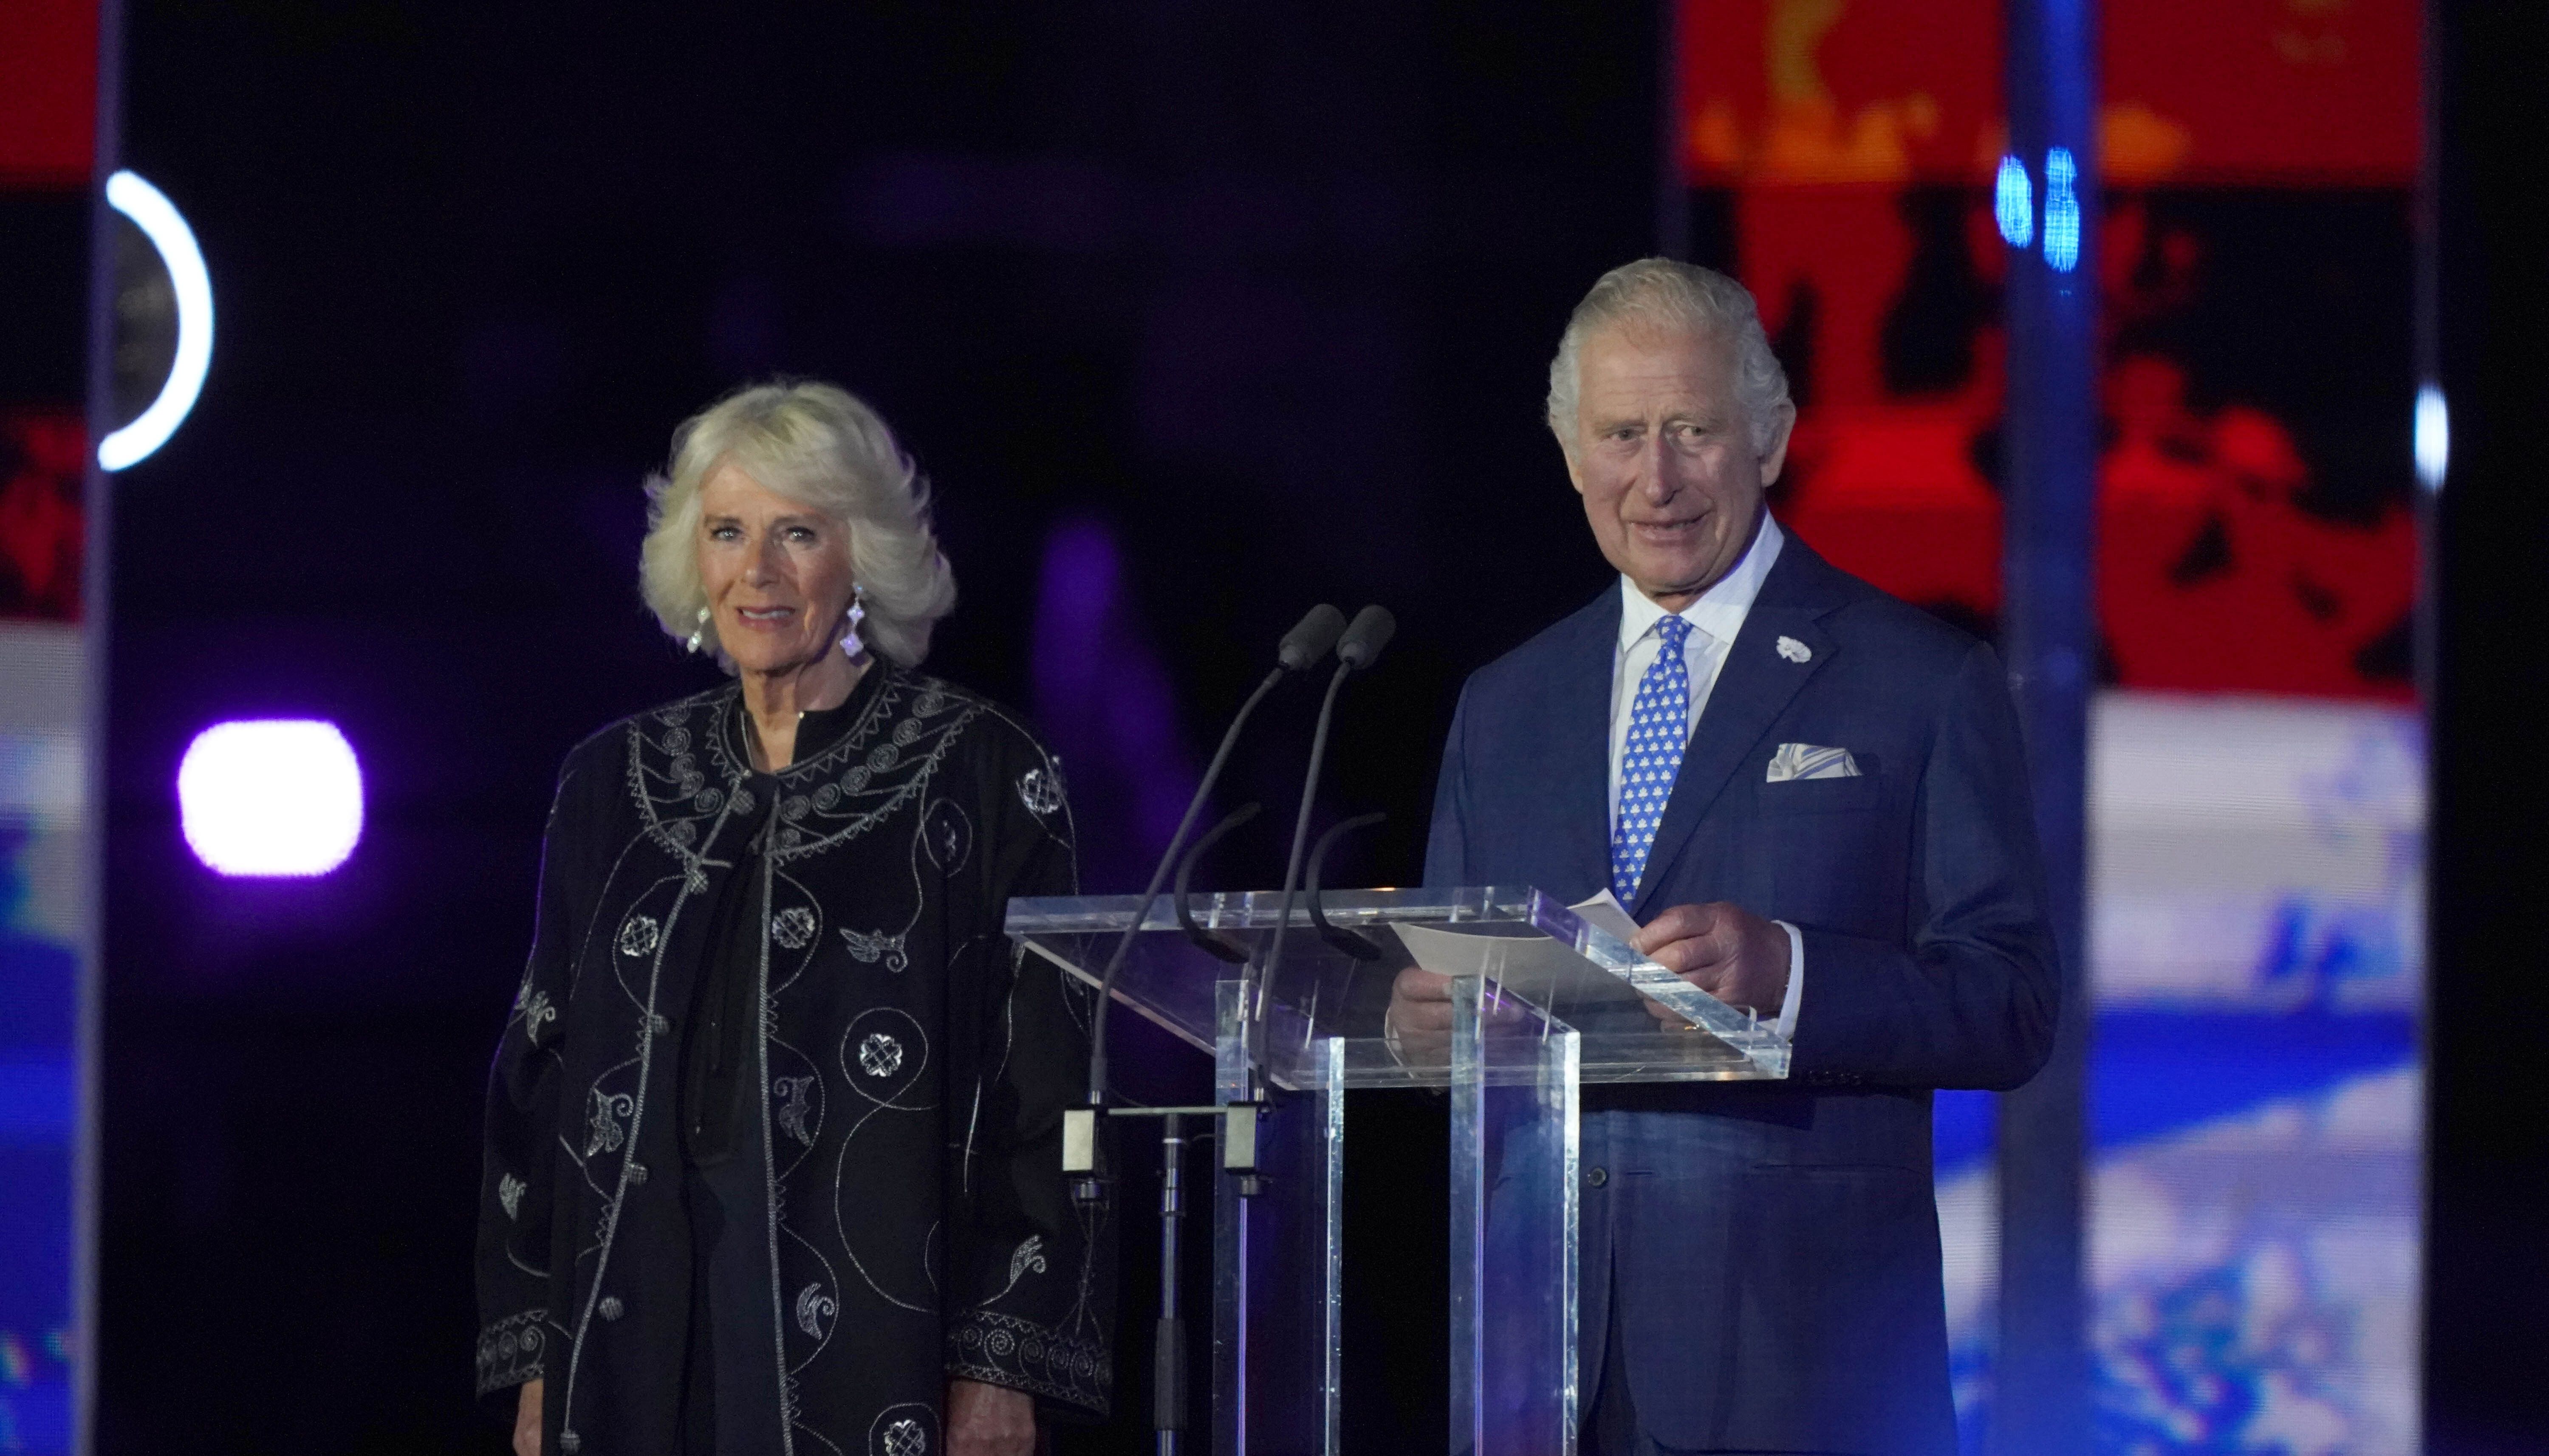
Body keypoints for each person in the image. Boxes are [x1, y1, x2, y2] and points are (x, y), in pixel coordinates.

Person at [1395, 259, 2058, 1455]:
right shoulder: (1505, 705)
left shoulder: (1920, 681)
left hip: (1805, 1368)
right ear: (1568, 453)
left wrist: (1796, 974)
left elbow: (2010, 999)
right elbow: (1466, 977)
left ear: (1771, 437)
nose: (1655, 478)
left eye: (1692, 430)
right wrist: (1427, 1034)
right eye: (1622, 433)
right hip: (1542, 1368)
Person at [474, 381, 1112, 1456]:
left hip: (881, 1334)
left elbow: (1050, 1085)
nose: (758, 572)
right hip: (642, 1325)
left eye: (797, 534)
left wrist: (1003, 1363)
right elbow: (534, 1083)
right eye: (728, 533)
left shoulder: (984, 770)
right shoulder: (609, 785)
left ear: (861, 556)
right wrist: (540, 1361)